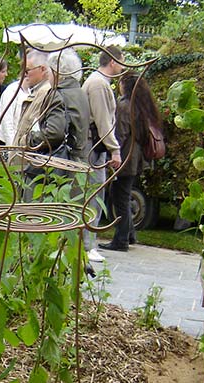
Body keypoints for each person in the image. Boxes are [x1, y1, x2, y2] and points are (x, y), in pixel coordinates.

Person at [100, 73, 161, 251]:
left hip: (126, 157)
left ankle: (121, 240)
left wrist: (113, 151)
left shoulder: (125, 106)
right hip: (137, 157)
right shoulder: (141, 106)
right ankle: (129, 234)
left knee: (119, 197)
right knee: (124, 195)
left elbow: (120, 133)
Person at [82, 45, 124, 262]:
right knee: (93, 195)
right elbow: (103, 121)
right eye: (121, 62)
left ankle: (88, 244)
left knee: (93, 194)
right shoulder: (98, 84)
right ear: (113, 62)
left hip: (95, 147)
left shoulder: (98, 83)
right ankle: (87, 245)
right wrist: (114, 150)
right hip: (93, 148)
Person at [12, 49, 67, 195]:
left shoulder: (47, 93)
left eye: (28, 69)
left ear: (42, 69)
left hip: (32, 168)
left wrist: (25, 141)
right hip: (24, 167)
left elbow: (50, 132)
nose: (24, 73)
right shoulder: (37, 91)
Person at [48, 48, 89, 165]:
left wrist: (31, 138)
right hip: (79, 159)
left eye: (49, 71)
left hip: (58, 163)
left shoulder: (58, 94)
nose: (48, 76)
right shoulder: (80, 93)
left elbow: (54, 133)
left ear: (56, 71)